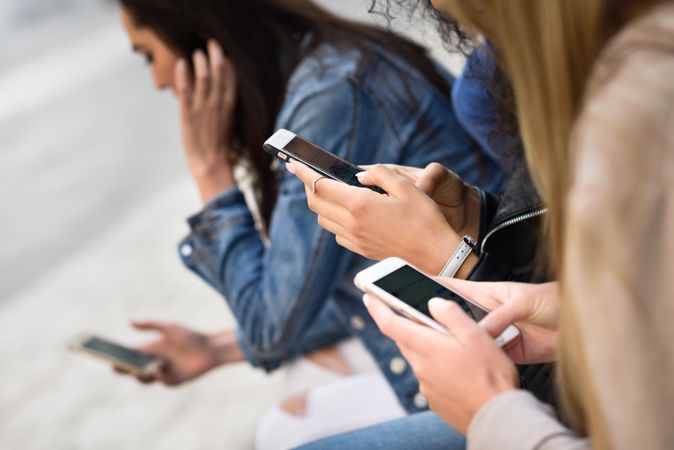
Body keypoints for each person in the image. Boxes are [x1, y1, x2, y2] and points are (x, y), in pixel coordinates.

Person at [116, 0, 508, 447]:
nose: (159, 80)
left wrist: (210, 172)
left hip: (492, 328)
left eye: (149, 55)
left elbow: (270, 327)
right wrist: (218, 348)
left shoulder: (328, 96)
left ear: (203, 38)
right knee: (298, 385)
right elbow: (330, 292)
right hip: (476, 298)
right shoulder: (331, 60)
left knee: (285, 428)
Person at [295, 0, 674, 448]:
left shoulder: (633, 107)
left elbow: (269, 332)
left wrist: (490, 413)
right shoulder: (626, 71)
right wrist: (476, 217)